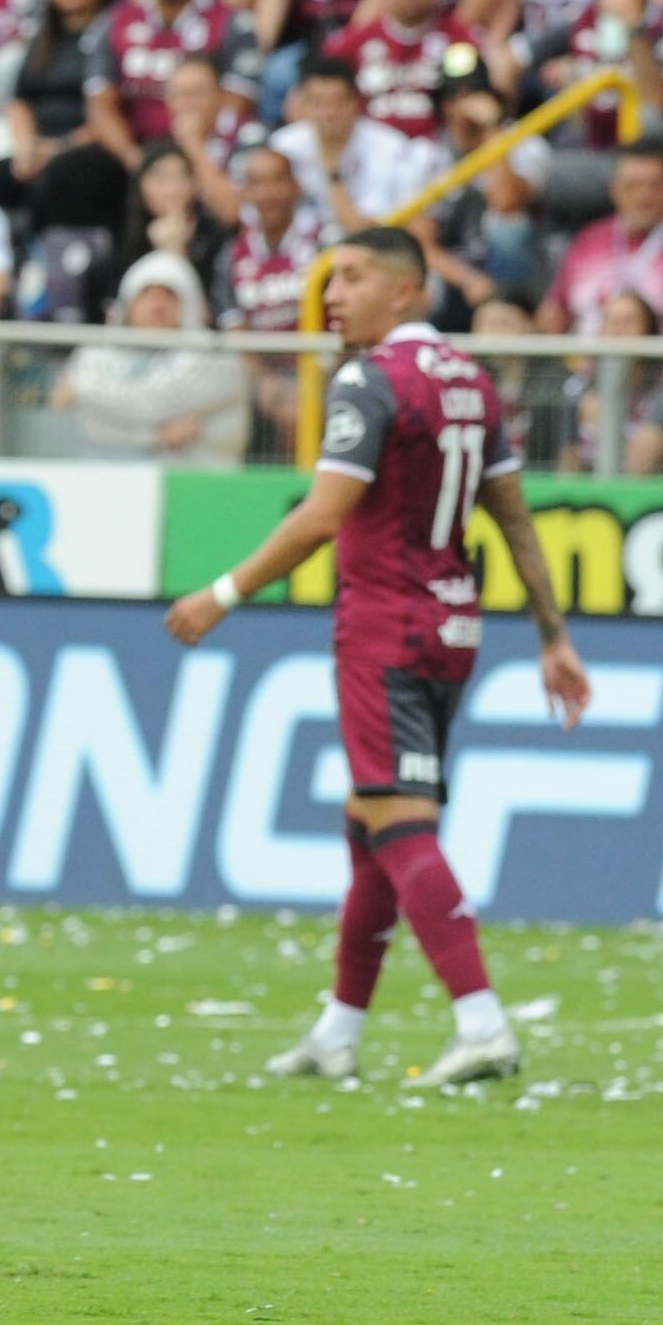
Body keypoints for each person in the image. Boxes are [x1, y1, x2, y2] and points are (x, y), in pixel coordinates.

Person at [168, 226, 586, 1092]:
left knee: (399, 825)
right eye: (330, 277)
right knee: (371, 828)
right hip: (453, 629)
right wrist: (552, 634)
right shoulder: (471, 380)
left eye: (353, 277)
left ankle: (482, 1022)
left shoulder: (370, 381)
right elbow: (511, 515)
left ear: (406, 292)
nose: (333, 293)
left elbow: (322, 517)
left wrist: (223, 593)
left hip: (384, 627)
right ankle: (339, 1029)